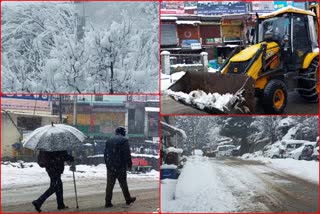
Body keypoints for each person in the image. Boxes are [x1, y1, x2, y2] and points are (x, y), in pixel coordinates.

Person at [104, 126, 136, 208]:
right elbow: (127, 153)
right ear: (123, 132)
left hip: (111, 166)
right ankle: (128, 199)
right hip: (120, 166)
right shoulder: (124, 140)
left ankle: (108, 201)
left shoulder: (109, 140)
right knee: (123, 183)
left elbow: (105, 154)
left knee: (110, 185)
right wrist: (129, 164)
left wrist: (108, 164)